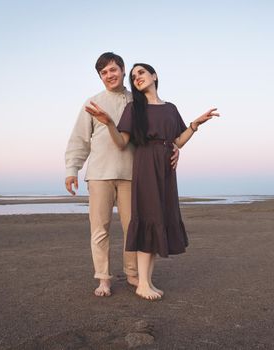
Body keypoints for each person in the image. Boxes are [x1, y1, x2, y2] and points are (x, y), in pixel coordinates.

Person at [86, 63, 219, 300]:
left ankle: (146, 281)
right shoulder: (133, 108)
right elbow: (121, 142)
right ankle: (142, 284)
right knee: (147, 218)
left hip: (166, 169)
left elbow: (177, 140)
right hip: (146, 165)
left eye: (142, 73)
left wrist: (194, 126)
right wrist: (108, 123)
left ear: (154, 76)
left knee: (159, 218)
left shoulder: (170, 108)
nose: (137, 77)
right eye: (134, 75)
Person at [64, 53, 179, 297]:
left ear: (123, 70)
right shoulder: (93, 102)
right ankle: (103, 278)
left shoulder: (137, 100)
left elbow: (158, 131)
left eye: (113, 69)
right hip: (99, 173)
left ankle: (133, 275)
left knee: (132, 228)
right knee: (100, 228)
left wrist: (175, 147)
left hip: (132, 174)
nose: (109, 75)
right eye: (104, 72)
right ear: (100, 77)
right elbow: (80, 139)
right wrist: (72, 168)